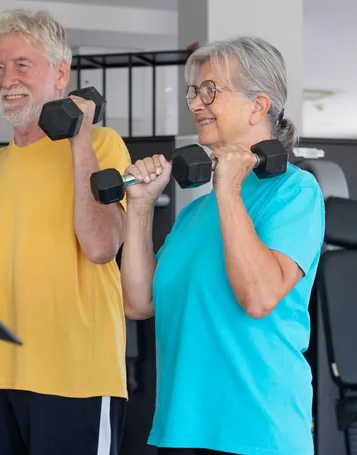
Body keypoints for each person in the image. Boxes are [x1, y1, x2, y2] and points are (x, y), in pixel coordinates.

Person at [0, 9, 130, 455]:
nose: (5, 78)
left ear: (61, 74)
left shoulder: (102, 145)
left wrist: (79, 141)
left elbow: (101, 245)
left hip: (76, 378)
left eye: (21, 65)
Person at [120, 36, 325, 455]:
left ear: (258, 105)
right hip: (181, 431)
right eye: (194, 92)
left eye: (210, 91)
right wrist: (139, 208)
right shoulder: (195, 215)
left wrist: (229, 189)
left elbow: (258, 296)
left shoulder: (295, 192)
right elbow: (138, 303)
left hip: (258, 433)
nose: (195, 103)